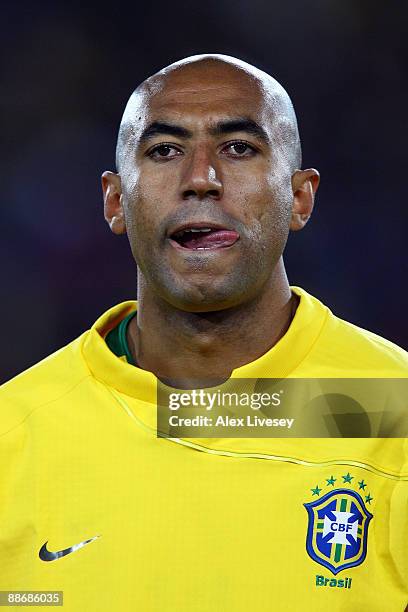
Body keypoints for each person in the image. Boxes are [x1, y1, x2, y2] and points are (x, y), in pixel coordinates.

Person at [0, 54, 407, 612]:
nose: (201, 179)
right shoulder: (13, 435)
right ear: (115, 201)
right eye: (165, 150)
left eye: (238, 148)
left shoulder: (394, 406)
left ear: (301, 198)